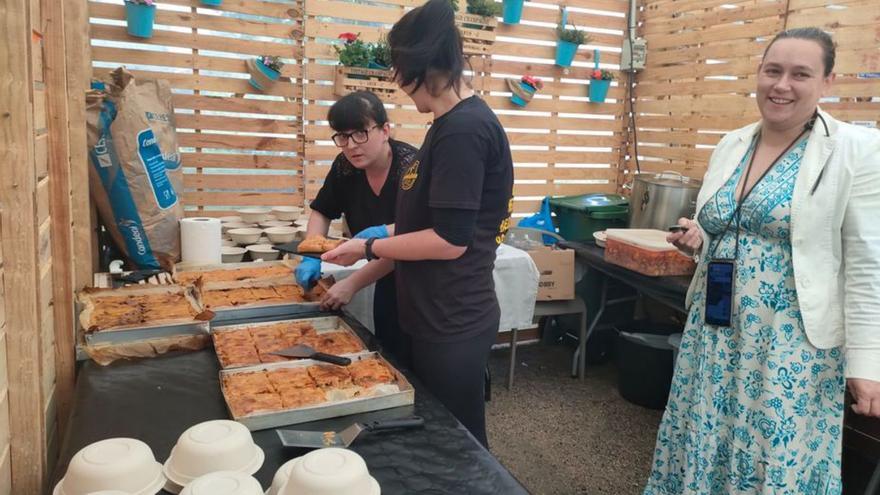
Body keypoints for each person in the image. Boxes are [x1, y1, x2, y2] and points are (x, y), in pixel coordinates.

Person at [645, 27, 880, 494]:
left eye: (800, 74)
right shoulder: (732, 143)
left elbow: (867, 263)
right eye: (773, 70)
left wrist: (868, 361)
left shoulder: (857, 150)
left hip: (789, 344)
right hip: (713, 334)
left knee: (774, 455)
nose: (782, 85)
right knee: (703, 438)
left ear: (827, 82)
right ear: (758, 74)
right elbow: (723, 225)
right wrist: (700, 238)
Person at [320, 0, 514, 447]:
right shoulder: (445, 127)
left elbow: (450, 240)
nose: (399, 85)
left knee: (460, 445)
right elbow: (430, 221)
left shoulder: (464, 131)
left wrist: (369, 248)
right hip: (431, 315)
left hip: (453, 320)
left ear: (423, 68)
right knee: (436, 435)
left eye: (400, 72)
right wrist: (380, 236)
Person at [294, 91, 418, 362]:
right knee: (389, 351)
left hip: (418, 278)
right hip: (382, 272)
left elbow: (412, 240)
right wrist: (312, 253)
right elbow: (322, 211)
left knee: (416, 360)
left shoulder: (412, 168)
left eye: (360, 133)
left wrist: (352, 283)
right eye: (342, 136)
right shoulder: (346, 167)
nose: (351, 145)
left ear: (385, 130)